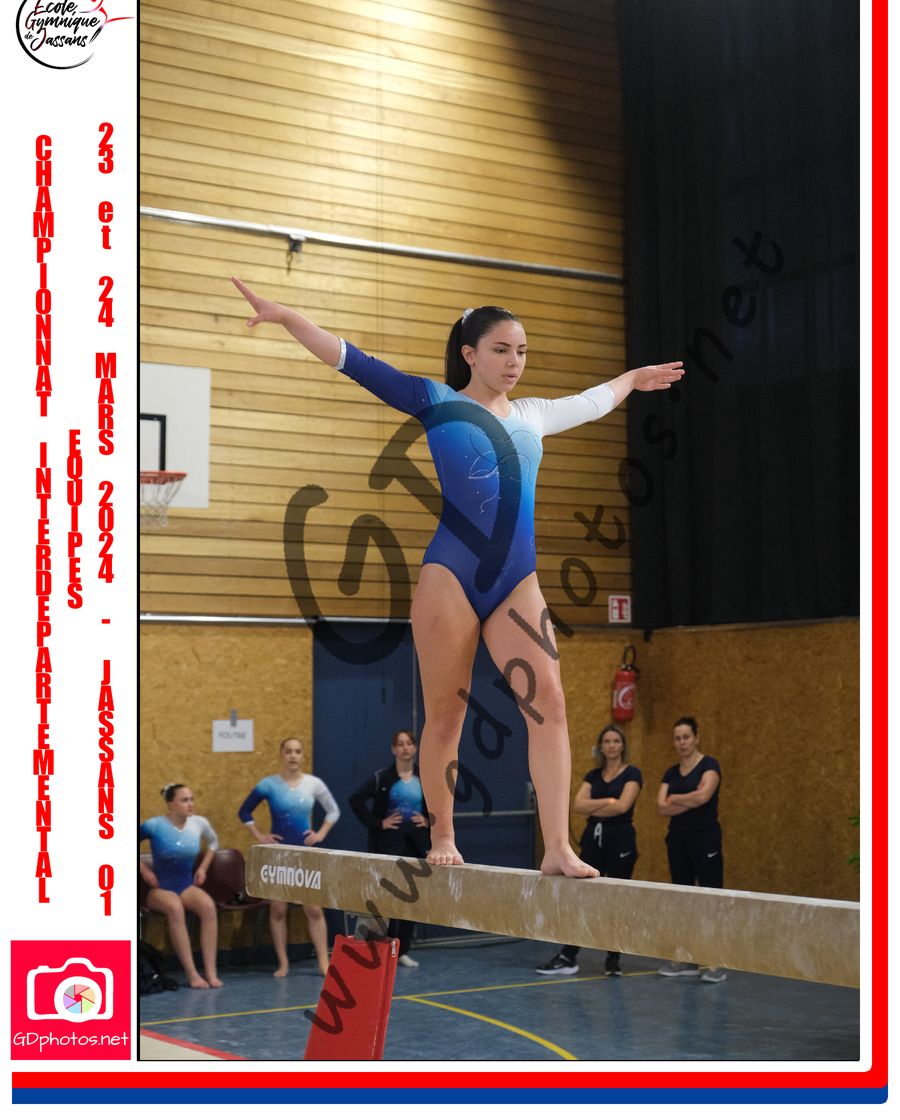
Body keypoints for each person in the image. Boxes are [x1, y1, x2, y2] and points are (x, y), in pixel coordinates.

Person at [232, 277, 683, 876]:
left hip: (517, 580)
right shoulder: (436, 400)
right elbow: (352, 360)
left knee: (549, 701)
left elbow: (593, 400)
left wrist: (632, 378)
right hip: (451, 576)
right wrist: (287, 316)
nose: (514, 362)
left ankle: (556, 846)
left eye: (522, 351)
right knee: (447, 714)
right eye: (501, 350)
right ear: (470, 353)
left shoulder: (534, 415)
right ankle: (442, 833)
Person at [535, 724, 642, 977]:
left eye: (616, 741)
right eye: (607, 741)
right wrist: (608, 801)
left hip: (620, 839)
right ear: (601, 747)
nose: (612, 745)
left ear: (622, 746)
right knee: (581, 895)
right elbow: (578, 804)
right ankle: (568, 956)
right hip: (593, 837)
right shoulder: (593, 775)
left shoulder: (632, 774)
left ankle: (613, 958)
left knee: (616, 898)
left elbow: (623, 806)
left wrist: (599, 805)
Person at [238, 738, 340, 976]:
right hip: (279, 856)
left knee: (314, 910)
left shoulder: (313, 784)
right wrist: (260, 836)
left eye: (297, 751)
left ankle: (323, 962)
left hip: (305, 855)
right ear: (281, 754)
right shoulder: (268, 785)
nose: (293, 756)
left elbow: (333, 810)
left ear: (302, 755)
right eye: (288, 751)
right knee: (278, 909)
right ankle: (283, 963)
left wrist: (320, 834)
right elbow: (244, 811)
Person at [349, 729, 429, 968]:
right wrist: (377, 823)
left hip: (414, 847)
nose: (405, 748)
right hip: (388, 847)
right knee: (387, 901)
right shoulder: (382, 778)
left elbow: (440, 804)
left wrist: (429, 820)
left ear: (415, 748)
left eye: (409, 743)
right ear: (394, 749)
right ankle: (385, 947)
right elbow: (355, 799)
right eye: (400, 744)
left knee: (410, 901)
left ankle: (402, 950)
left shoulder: (425, 777)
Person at [656, 716, 727, 983]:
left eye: (686, 737)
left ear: (696, 738)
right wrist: (688, 800)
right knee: (682, 898)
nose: (682, 742)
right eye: (677, 738)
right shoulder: (671, 773)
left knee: (710, 898)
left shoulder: (709, 765)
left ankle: (717, 961)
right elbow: (661, 807)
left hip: (705, 839)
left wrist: (676, 798)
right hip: (678, 840)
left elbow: (703, 796)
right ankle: (687, 959)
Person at [139, 784, 223, 989]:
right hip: (160, 888)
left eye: (191, 799)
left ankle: (211, 973)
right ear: (171, 804)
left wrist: (203, 868)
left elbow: (213, 843)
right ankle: (192, 974)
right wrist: (145, 871)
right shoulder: (154, 825)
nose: (190, 804)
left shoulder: (199, 823)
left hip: (185, 885)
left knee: (208, 906)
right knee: (175, 907)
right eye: (184, 800)